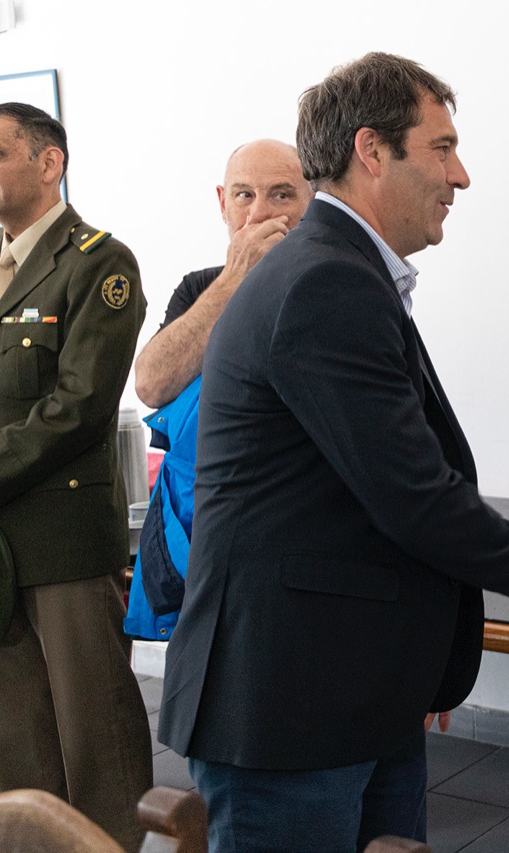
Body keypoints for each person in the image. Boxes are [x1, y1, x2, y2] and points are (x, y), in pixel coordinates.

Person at [157, 53, 509, 852]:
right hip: (292, 706)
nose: (461, 175)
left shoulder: (342, 271)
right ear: (372, 151)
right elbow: (412, 491)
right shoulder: (324, 281)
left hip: (349, 686)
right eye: (442, 149)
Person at [0, 102, 151, 851]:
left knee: (97, 744)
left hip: (63, 543)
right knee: (16, 739)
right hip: (1, 546)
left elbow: (79, 408)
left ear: (49, 162)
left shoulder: (98, 263)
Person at [125, 140, 313, 642]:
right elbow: (151, 383)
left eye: (281, 195)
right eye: (244, 195)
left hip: (297, 539)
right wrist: (233, 281)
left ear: (313, 201)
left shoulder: (332, 285)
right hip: (207, 535)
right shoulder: (200, 288)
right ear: (222, 203)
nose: (259, 213)